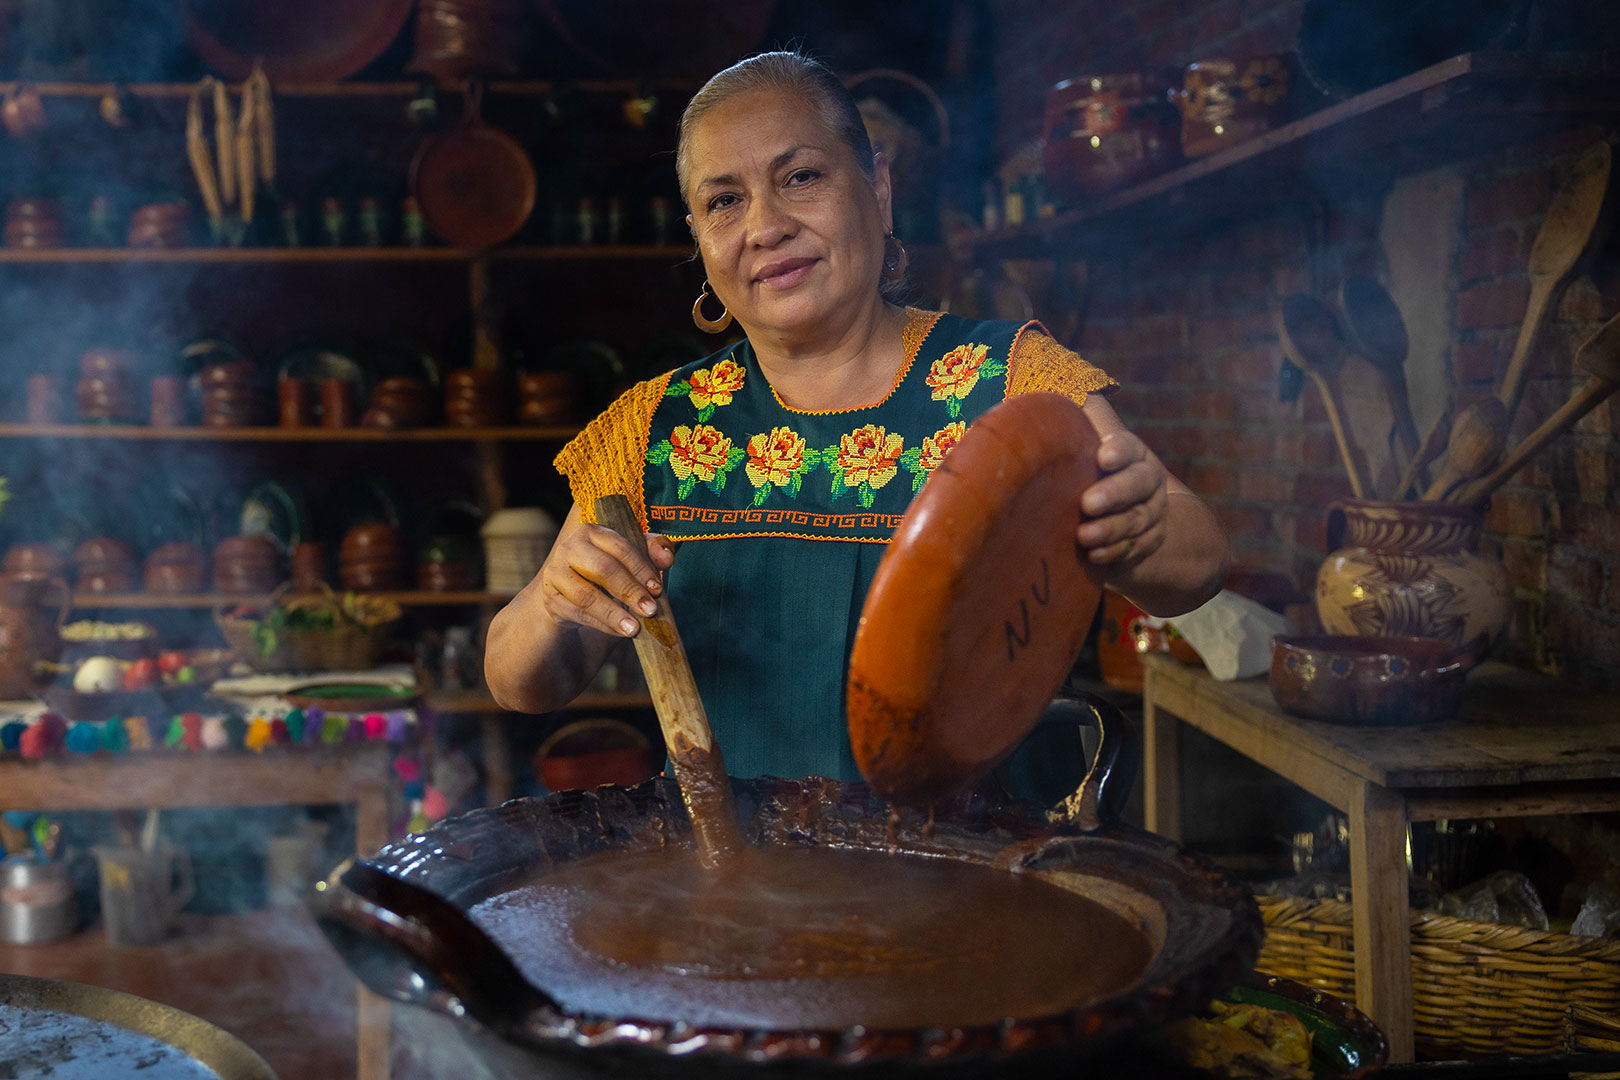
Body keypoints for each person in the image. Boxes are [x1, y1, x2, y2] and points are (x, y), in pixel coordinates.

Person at [486, 51, 1230, 781]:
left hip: (988, 852)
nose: (765, 227)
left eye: (800, 177)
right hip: (744, 860)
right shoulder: (655, 427)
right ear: (699, 239)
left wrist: (1137, 534)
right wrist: (554, 601)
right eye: (725, 201)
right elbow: (522, 682)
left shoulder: (1012, 379)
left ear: (878, 188)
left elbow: (1199, 562)